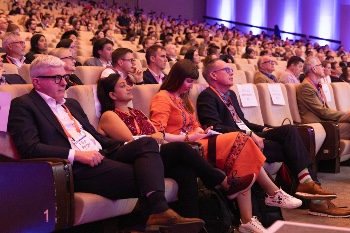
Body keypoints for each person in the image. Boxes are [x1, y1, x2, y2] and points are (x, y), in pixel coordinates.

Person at [7, 55, 205, 233]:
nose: (63, 83)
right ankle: (160, 212)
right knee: (174, 170)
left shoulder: (72, 104)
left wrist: (123, 146)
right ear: (37, 82)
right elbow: (30, 148)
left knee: (146, 143)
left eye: (64, 77)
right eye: (56, 78)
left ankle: (160, 215)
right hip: (76, 166)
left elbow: (95, 136)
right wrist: (77, 155)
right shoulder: (24, 105)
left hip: (102, 154)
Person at [149, 59, 303, 233]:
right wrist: (188, 136)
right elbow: (157, 133)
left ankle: (247, 220)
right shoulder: (162, 98)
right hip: (186, 148)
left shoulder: (184, 100)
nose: (191, 86)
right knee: (241, 140)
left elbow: (194, 124)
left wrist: (200, 130)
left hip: (199, 141)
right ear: (177, 78)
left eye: (192, 82)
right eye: (188, 81)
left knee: (243, 155)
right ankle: (272, 193)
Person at [196, 58, 346, 218]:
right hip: (237, 143)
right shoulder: (207, 96)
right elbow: (214, 127)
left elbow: (243, 122)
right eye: (226, 70)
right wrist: (250, 135)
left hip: (252, 136)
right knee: (292, 148)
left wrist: (265, 129)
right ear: (213, 75)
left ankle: (309, 187)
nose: (231, 72)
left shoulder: (231, 94)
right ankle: (315, 197)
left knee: (289, 131)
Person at [96, 73, 256, 218]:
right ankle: (222, 181)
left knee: (186, 170)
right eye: (123, 86)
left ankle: (190, 223)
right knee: (180, 148)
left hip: (153, 156)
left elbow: (158, 136)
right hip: (132, 159)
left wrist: (160, 140)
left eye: (128, 84)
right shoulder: (109, 115)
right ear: (112, 94)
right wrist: (157, 138)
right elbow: (133, 141)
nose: (129, 87)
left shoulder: (138, 113)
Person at [297, 57, 350, 142]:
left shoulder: (316, 85)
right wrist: (344, 113)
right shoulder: (306, 87)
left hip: (326, 121)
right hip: (318, 124)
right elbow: (323, 112)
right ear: (314, 69)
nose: (323, 68)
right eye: (321, 65)